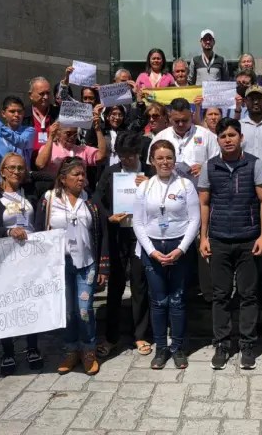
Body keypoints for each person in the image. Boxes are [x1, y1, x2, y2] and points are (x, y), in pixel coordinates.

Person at [198, 118, 262, 370]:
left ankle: (247, 344)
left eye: (232, 135)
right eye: (223, 136)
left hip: (248, 239)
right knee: (220, 295)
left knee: (248, 294)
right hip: (218, 239)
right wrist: (203, 237)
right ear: (217, 140)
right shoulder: (210, 166)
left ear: (241, 137)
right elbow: (204, 203)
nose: (228, 139)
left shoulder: (254, 164)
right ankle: (222, 343)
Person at [35, 157, 109, 376]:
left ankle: (88, 350)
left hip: (86, 263)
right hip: (59, 264)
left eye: (83, 174)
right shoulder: (49, 200)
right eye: (76, 174)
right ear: (63, 178)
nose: (81, 178)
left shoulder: (92, 201)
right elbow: (39, 231)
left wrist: (104, 267)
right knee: (67, 311)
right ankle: (71, 350)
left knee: (84, 309)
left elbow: (103, 233)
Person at [133, 140, 200, 369]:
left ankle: (178, 347)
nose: (165, 162)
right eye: (159, 158)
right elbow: (138, 222)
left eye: (169, 157)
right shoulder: (145, 187)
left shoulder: (185, 185)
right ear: (152, 161)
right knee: (159, 300)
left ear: (175, 160)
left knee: (178, 300)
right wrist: (151, 251)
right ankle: (161, 347)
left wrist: (181, 249)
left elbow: (194, 220)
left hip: (178, 246)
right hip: (153, 248)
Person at [0, 152, 46, 376]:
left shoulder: (32, 193)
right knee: (6, 306)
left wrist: (33, 173)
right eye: (12, 168)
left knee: (30, 303)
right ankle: (8, 351)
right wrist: (7, 231)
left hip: (31, 259)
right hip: (5, 260)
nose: (17, 172)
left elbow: (50, 177)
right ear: (2, 171)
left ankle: (32, 347)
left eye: (21, 168)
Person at [93, 132, 154, 358]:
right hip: (118, 235)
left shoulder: (149, 172)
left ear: (138, 152)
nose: (126, 160)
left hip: (140, 236)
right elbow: (96, 199)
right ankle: (111, 337)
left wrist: (151, 185)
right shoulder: (111, 173)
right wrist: (108, 216)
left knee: (139, 285)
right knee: (116, 287)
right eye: (122, 156)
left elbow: (163, 197)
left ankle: (140, 335)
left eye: (130, 156)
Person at [150, 98, 219, 183]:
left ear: (192, 115)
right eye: (177, 121)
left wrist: (205, 169)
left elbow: (218, 163)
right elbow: (152, 167)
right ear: (170, 117)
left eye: (184, 120)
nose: (181, 124)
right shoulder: (160, 137)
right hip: (168, 192)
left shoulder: (207, 136)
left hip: (199, 192)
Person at [34, 105, 107, 174]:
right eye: (68, 134)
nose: (72, 137)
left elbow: (101, 156)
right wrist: (51, 137)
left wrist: (97, 129)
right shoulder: (49, 148)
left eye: (75, 134)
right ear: (58, 133)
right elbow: (40, 165)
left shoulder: (82, 150)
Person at [22, 77, 60, 155]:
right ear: (30, 95)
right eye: (42, 94)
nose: (45, 97)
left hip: (53, 160)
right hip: (29, 161)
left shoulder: (58, 113)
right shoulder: (23, 114)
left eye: (48, 93)